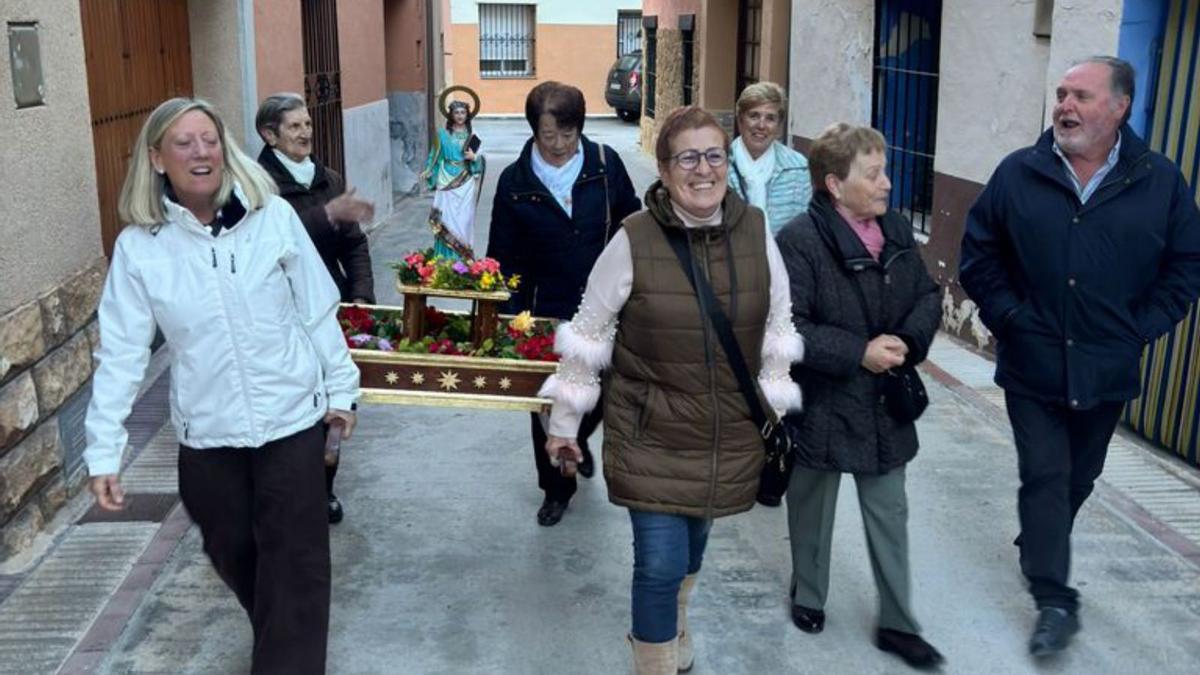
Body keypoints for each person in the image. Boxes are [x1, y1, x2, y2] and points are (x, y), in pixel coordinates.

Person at [85, 97, 360, 674]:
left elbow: (316, 308)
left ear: (225, 147)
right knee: (234, 552)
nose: (200, 152)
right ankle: (283, 635)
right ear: (157, 158)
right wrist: (104, 449)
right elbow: (122, 354)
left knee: (297, 566)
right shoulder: (142, 248)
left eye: (208, 139)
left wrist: (341, 390)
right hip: (208, 436)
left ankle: (287, 656)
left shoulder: (272, 218)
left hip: (290, 420)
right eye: (182, 143)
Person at [539, 105, 804, 674]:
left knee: (691, 553)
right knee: (658, 565)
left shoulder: (756, 231)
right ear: (663, 169)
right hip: (649, 432)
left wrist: (775, 402)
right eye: (688, 157)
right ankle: (656, 661)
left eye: (714, 155)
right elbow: (587, 338)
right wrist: (564, 427)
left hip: (726, 434)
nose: (703, 169)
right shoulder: (633, 239)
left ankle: (674, 631)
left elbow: (779, 327)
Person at [959, 55, 1200, 657]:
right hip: (1032, 362)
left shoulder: (1161, 181)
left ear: (1120, 107)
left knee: (1079, 477)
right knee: (1044, 473)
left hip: (1107, 366)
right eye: (1062, 94)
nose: (1065, 106)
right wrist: (1011, 319)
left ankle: (1039, 543)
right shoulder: (1019, 173)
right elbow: (979, 256)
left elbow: (1185, 266)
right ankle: (1054, 600)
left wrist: (1139, 329)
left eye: (1082, 96)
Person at [775, 122, 943, 670]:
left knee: (890, 513)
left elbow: (927, 294)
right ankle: (809, 595)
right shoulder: (799, 240)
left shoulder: (893, 228)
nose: (888, 184)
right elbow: (790, 326)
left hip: (884, 403)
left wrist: (907, 342)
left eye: (885, 170)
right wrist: (858, 352)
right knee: (811, 508)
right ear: (833, 183)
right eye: (873, 174)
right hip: (824, 401)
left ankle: (898, 622)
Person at [486, 81, 641, 527]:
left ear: (581, 128)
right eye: (548, 136)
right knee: (548, 401)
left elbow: (631, 221)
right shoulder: (515, 182)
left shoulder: (606, 165)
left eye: (567, 136)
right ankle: (556, 488)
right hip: (543, 307)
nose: (557, 146)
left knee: (604, 393)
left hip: (606, 303)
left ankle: (579, 437)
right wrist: (510, 314)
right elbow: (502, 254)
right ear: (534, 130)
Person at [255, 92, 375, 525]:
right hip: (279, 313)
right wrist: (328, 213)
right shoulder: (256, 185)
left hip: (330, 305)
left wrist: (361, 297)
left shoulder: (328, 177)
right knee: (294, 404)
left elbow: (354, 243)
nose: (305, 132)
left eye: (307, 124)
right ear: (269, 134)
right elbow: (277, 242)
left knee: (335, 403)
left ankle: (323, 490)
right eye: (294, 126)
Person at [727, 81, 812, 234]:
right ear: (740, 120)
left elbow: (805, 228)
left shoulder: (799, 168)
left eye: (770, 118)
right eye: (754, 116)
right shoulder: (719, 165)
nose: (761, 125)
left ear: (779, 126)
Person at [423, 98, 484, 259]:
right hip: (445, 180)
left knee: (463, 220)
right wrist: (429, 171)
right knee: (445, 219)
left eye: (463, 112)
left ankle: (462, 259)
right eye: (456, 112)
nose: (460, 115)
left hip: (465, 181)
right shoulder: (442, 135)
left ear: (467, 115)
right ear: (450, 114)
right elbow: (434, 156)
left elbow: (478, 165)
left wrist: (474, 158)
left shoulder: (472, 136)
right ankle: (443, 258)